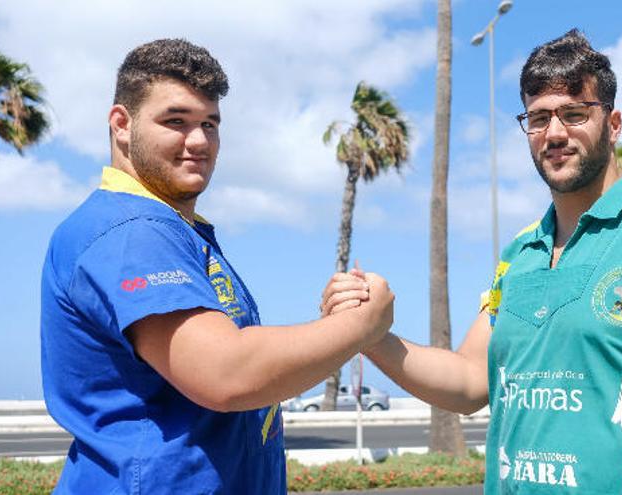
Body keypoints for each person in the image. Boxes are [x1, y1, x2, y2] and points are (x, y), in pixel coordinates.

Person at [323, 29, 622, 494]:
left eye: (575, 113)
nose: (555, 133)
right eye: (539, 118)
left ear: (614, 123)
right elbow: (467, 381)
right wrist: (370, 335)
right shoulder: (521, 252)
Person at [40, 38, 393, 494]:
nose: (200, 141)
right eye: (176, 121)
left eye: (210, 123)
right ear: (121, 124)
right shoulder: (129, 231)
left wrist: (330, 328)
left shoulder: (175, 231)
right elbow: (226, 374)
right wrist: (364, 324)